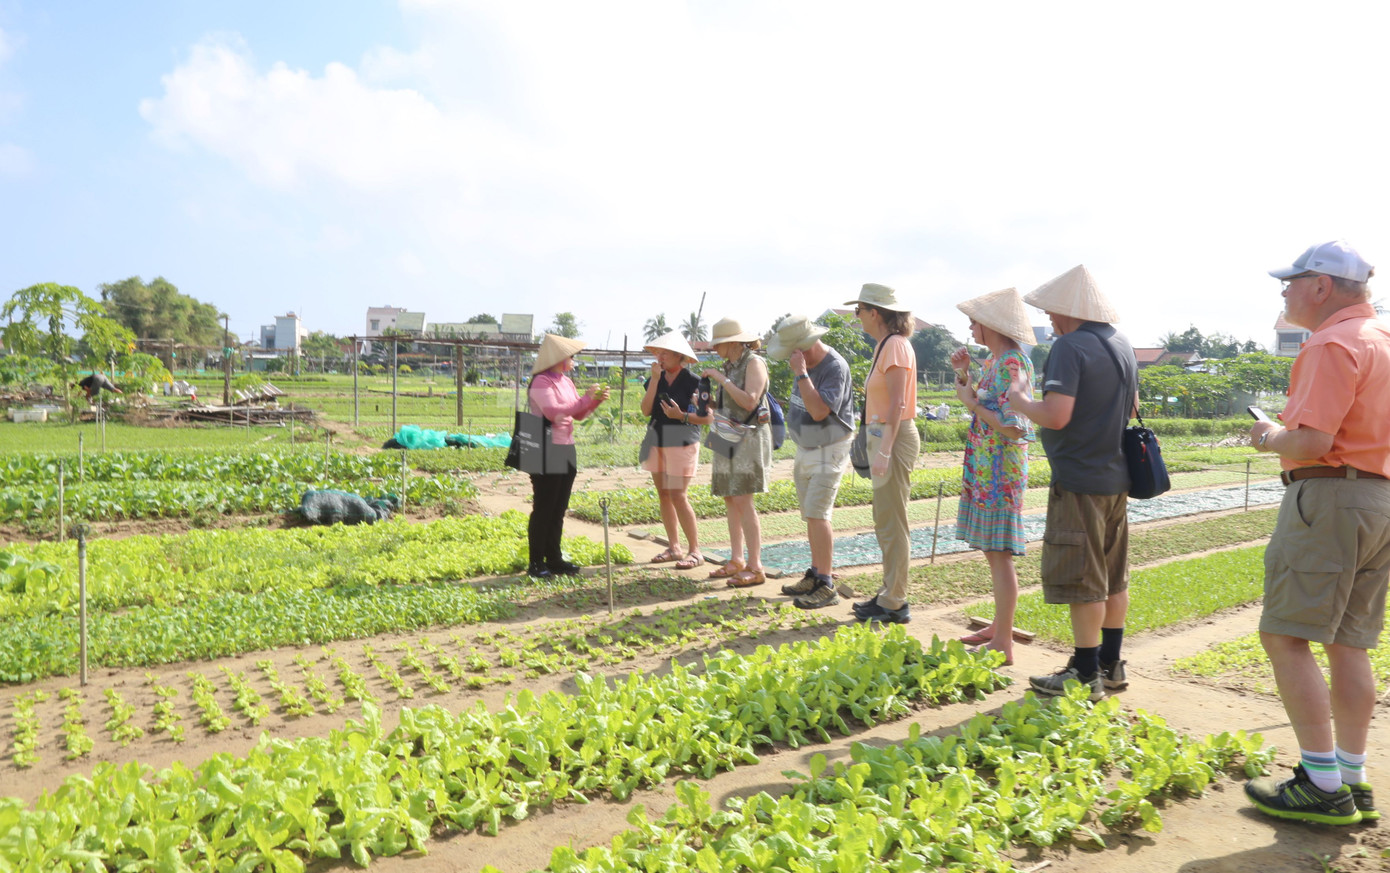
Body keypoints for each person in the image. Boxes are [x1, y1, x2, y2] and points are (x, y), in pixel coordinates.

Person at [1243, 241, 1390, 826]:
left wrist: (1270, 436)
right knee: (1349, 642)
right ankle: (1351, 778)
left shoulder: (1332, 343)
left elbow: (1311, 442)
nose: (1285, 291)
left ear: (1322, 286)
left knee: (1285, 635)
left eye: (1292, 281)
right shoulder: (1382, 342)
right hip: (1379, 498)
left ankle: (1320, 784)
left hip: (1330, 497)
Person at [1005, 265, 1135, 700]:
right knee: (1113, 576)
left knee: (1084, 580)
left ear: (1068, 311)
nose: (1050, 321)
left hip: (1079, 479)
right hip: (1116, 476)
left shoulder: (1070, 347)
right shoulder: (1121, 344)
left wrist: (1022, 400)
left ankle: (1083, 673)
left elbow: (1057, 414)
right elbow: (1131, 406)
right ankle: (1110, 664)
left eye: (1052, 312)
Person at [950, 287, 1036, 665]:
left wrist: (971, 404)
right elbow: (981, 402)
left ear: (993, 326)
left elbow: (1015, 427)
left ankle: (1003, 642)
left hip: (1000, 470)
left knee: (1000, 554)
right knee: (992, 551)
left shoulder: (1013, 364)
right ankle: (999, 627)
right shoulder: (994, 362)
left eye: (975, 322)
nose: (971, 327)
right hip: (986, 467)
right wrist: (962, 374)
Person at [767, 315, 855, 609]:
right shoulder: (802, 363)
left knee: (819, 513)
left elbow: (819, 411)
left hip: (829, 448)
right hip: (806, 447)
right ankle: (816, 574)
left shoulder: (833, 368)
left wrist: (802, 374)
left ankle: (827, 585)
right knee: (810, 514)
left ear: (803, 347)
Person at [845, 283, 920, 624]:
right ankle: (890, 592)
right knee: (885, 521)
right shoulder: (886, 346)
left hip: (894, 436)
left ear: (875, 312)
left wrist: (885, 450)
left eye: (859, 310)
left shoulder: (895, 348)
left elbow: (898, 403)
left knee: (893, 521)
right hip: (882, 435)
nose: (857, 317)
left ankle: (895, 600)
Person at [525, 333, 610, 579]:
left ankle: (554, 558)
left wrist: (593, 403)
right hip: (545, 450)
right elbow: (553, 412)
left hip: (565, 448)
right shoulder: (541, 381)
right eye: (570, 356)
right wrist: (585, 398)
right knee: (544, 507)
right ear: (558, 358)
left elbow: (578, 414)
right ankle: (536, 562)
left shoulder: (564, 381)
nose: (573, 360)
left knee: (559, 507)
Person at [701, 317, 772, 588]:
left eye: (718, 344)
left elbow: (750, 399)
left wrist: (720, 378)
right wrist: (708, 401)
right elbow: (732, 402)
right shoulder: (730, 365)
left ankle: (756, 566)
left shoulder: (754, 362)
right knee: (730, 497)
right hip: (725, 432)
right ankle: (736, 559)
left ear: (732, 343)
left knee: (744, 499)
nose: (715, 349)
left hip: (748, 437)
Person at [640, 330, 706, 571]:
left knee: (678, 494)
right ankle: (674, 547)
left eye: (665, 352)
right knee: (664, 494)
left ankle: (695, 551)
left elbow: (707, 417)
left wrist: (681, 415)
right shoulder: (654, 379)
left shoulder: (695, 382)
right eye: (659, 352)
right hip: (657, 437)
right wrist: (655, 380)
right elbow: (646, 411)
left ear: (680, 357)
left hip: (683, 438)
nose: (660, 356)